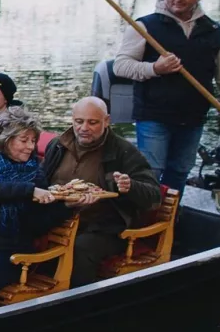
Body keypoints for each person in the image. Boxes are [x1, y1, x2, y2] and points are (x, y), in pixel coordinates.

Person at [114, 0, 220, 188]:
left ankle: (171, 218)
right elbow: (121, 65)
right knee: (150, 173)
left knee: (179, 172)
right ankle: (146, 219)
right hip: (154, 115)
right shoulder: (145, 26)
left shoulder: (213, 30)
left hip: (193, 118)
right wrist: (155, 68)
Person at [43, 97, 161, 286]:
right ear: (72, 119)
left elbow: (154, 196)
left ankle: (77, 303)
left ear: (107, 121)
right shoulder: (57, 145)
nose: (84, 128)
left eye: (93, 122)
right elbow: (41, 182)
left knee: (81, 248)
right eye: (79, 121)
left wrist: (130, 186)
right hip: (57, 217)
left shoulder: (123, 151)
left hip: (103, 228)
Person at [0, 108, 68, 310]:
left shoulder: (34, 171)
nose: (30, 147)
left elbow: (39, 223)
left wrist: (68, 206)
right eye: (24, 140)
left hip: (10, 249)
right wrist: (29, 191)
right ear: (5, 139)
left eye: (33, 141)